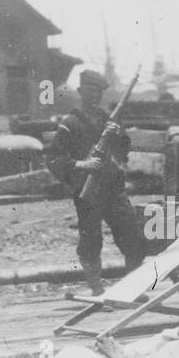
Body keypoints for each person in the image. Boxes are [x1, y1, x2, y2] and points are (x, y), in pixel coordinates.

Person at [45, 69, 145, 294]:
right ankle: (97, 289)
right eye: (90, 90)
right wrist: (82, 165)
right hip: (87, 191)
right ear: (81, 91)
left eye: (99, 91)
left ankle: (133, 288)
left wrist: (117, 133)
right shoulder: (70, 122)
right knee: (91, 241)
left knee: (133, 237)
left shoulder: (109, 120)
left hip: (113, 188)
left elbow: (123, 150)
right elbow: (53, 158)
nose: (95, 95)